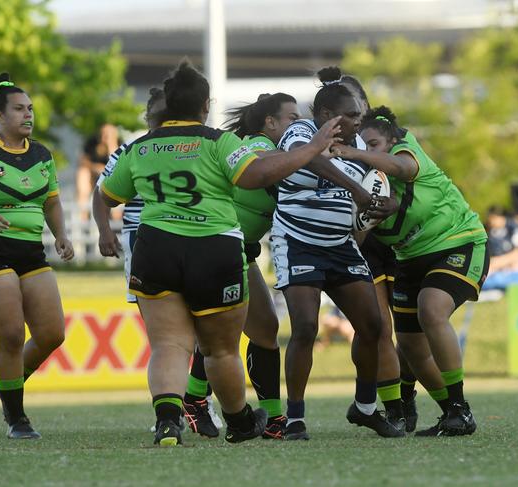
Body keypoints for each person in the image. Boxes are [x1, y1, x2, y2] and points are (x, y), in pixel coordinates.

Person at [100, 60, 341, 446]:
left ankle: (168, 422)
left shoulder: (141, 147)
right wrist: (313, 148)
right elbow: (255, 176)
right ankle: (241, 422)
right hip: (214, 249)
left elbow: (106, 195)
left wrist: (102, 233)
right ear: (204, 106)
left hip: (156, 247)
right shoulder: (219, 141)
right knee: (221, 350)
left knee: (168, 346)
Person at [331, 105, 489, 436]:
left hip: (457, 242)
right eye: (364, 146)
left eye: (373, 144)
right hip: (410, 257)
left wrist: (350, 151)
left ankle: (459, 406)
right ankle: (454, 414)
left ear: (390, 140)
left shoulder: (406, 148)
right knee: (411, 346)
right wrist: (368, 213)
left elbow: (400, 167)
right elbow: (359, 237)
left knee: (431, 309)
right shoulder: (366, 182)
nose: (367, 151)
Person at [271, 66, 404, 440]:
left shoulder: (358, 145)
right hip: (297, 241)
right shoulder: (300, 131)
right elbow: (309, 158)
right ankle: (294, 417)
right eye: (352, 116)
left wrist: (383, 203)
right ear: (327, 116)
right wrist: (358, 192)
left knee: (373, 325)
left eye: (360, 116)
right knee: (305, 328)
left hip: (340, 245)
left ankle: (364, 408)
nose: (359, 123)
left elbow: (371, 187)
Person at [92, 88, 222, 438]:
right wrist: (105, 231)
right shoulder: (133, 149)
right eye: (156, 114)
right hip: (146, 242)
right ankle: (177, 404)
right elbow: (102, 192)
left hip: (199, 240)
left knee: (205, 331)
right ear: (149, 117)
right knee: (169, 335)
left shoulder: (197, 144)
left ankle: (194, 399)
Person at [183, 92, 301, 440]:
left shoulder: (285, 155)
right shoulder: (252, 145)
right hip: (215, 245)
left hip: (240, 251)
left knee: (264, 330)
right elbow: (262, 159)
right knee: (224, 335)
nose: (299, 125)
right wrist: (314, 152)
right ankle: (193, 400)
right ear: (270, 122)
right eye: (292, 118)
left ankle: (273, 420)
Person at [340, 75, 449, 434]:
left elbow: (408, 182)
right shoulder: (334, 143)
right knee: (378, 329)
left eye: (356, 105)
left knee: (408, 336)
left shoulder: (394, 140)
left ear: (366, 106)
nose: (352, 113)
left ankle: (406, 393)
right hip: (366, 245)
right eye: (345, 108)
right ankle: (390, 406)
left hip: (400, 246)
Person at [0, 72, 74, 439]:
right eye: (19, 109)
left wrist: (61, 235)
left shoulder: (41, 154)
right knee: (10, 335)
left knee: (52, 333)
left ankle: (6, 382)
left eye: (31, 109)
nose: (28, 115)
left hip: (31, 251)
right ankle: (16, 418)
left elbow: (52, 201)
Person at [77, 123, 120, 219]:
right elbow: (83, 161)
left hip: (112, 177)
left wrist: (111, 144)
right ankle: (82, 216)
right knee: (83, 173)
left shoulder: (119, 144)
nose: (104, 136)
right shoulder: (92, 143)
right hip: (94, 176)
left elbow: (118, 164)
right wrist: (95, 167)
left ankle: (117, 219)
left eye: (109, 134)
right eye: (103, 133)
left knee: (117, 181)